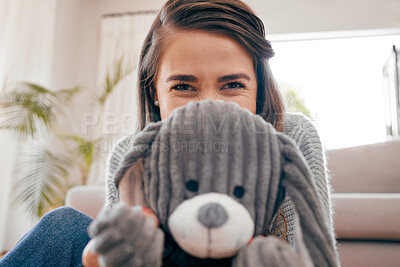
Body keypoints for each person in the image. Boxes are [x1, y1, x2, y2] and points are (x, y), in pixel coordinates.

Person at [0, 0, 338, 266]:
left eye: (233, 85)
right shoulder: (135, 152)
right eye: (184, 87)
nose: (210, 107)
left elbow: (316, 256)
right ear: (156, 96)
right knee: (63, 226)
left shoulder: (291, 136)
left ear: (258, 92)